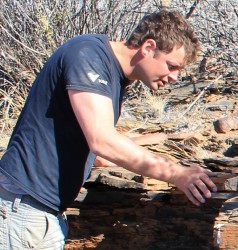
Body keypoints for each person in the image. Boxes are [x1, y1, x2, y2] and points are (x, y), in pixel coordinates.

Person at [0, 10, 217, 249]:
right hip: (25, 207)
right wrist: (175, 174)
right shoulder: (88, 56)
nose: (175, 77)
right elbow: (101, 140)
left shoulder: (112, 74)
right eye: (172, 66)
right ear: (148, 47)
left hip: (41, 209)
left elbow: (97, 153)